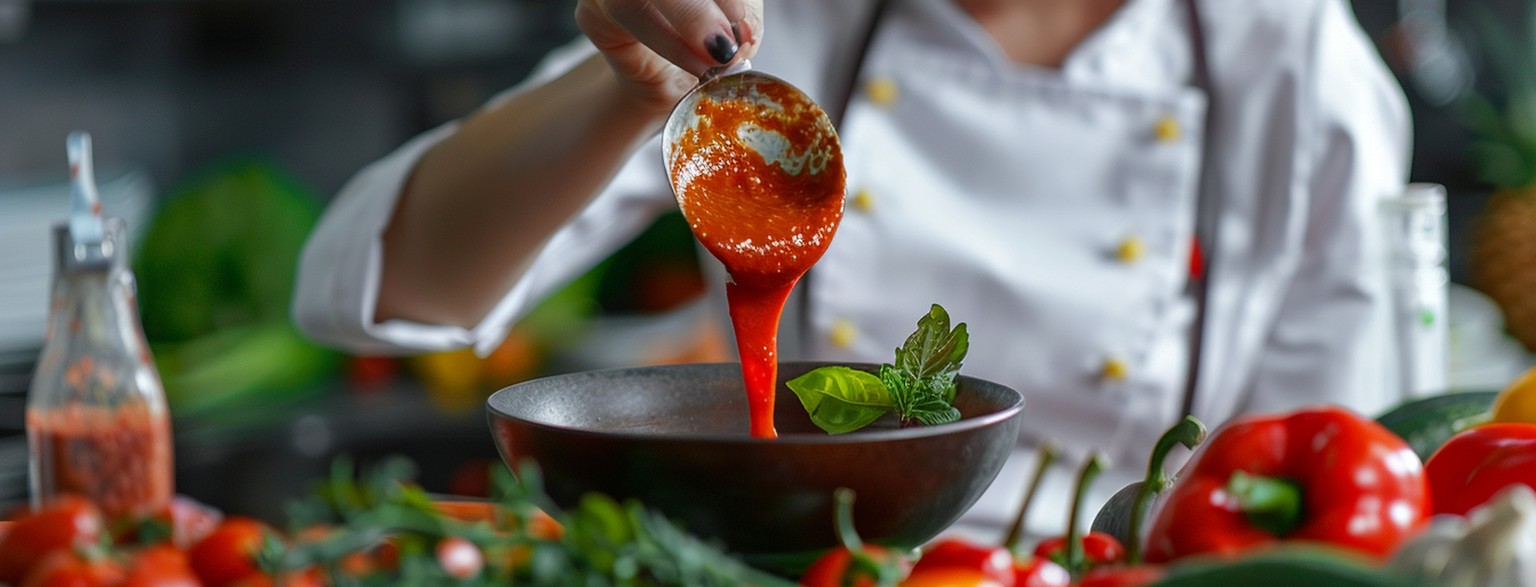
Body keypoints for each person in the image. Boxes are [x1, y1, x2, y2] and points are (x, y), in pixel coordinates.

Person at [294, 0, 1411, 536]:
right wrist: (630, 86)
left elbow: (1321, 498)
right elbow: (381, 288)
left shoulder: (1297, 65)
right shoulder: (779, 18)